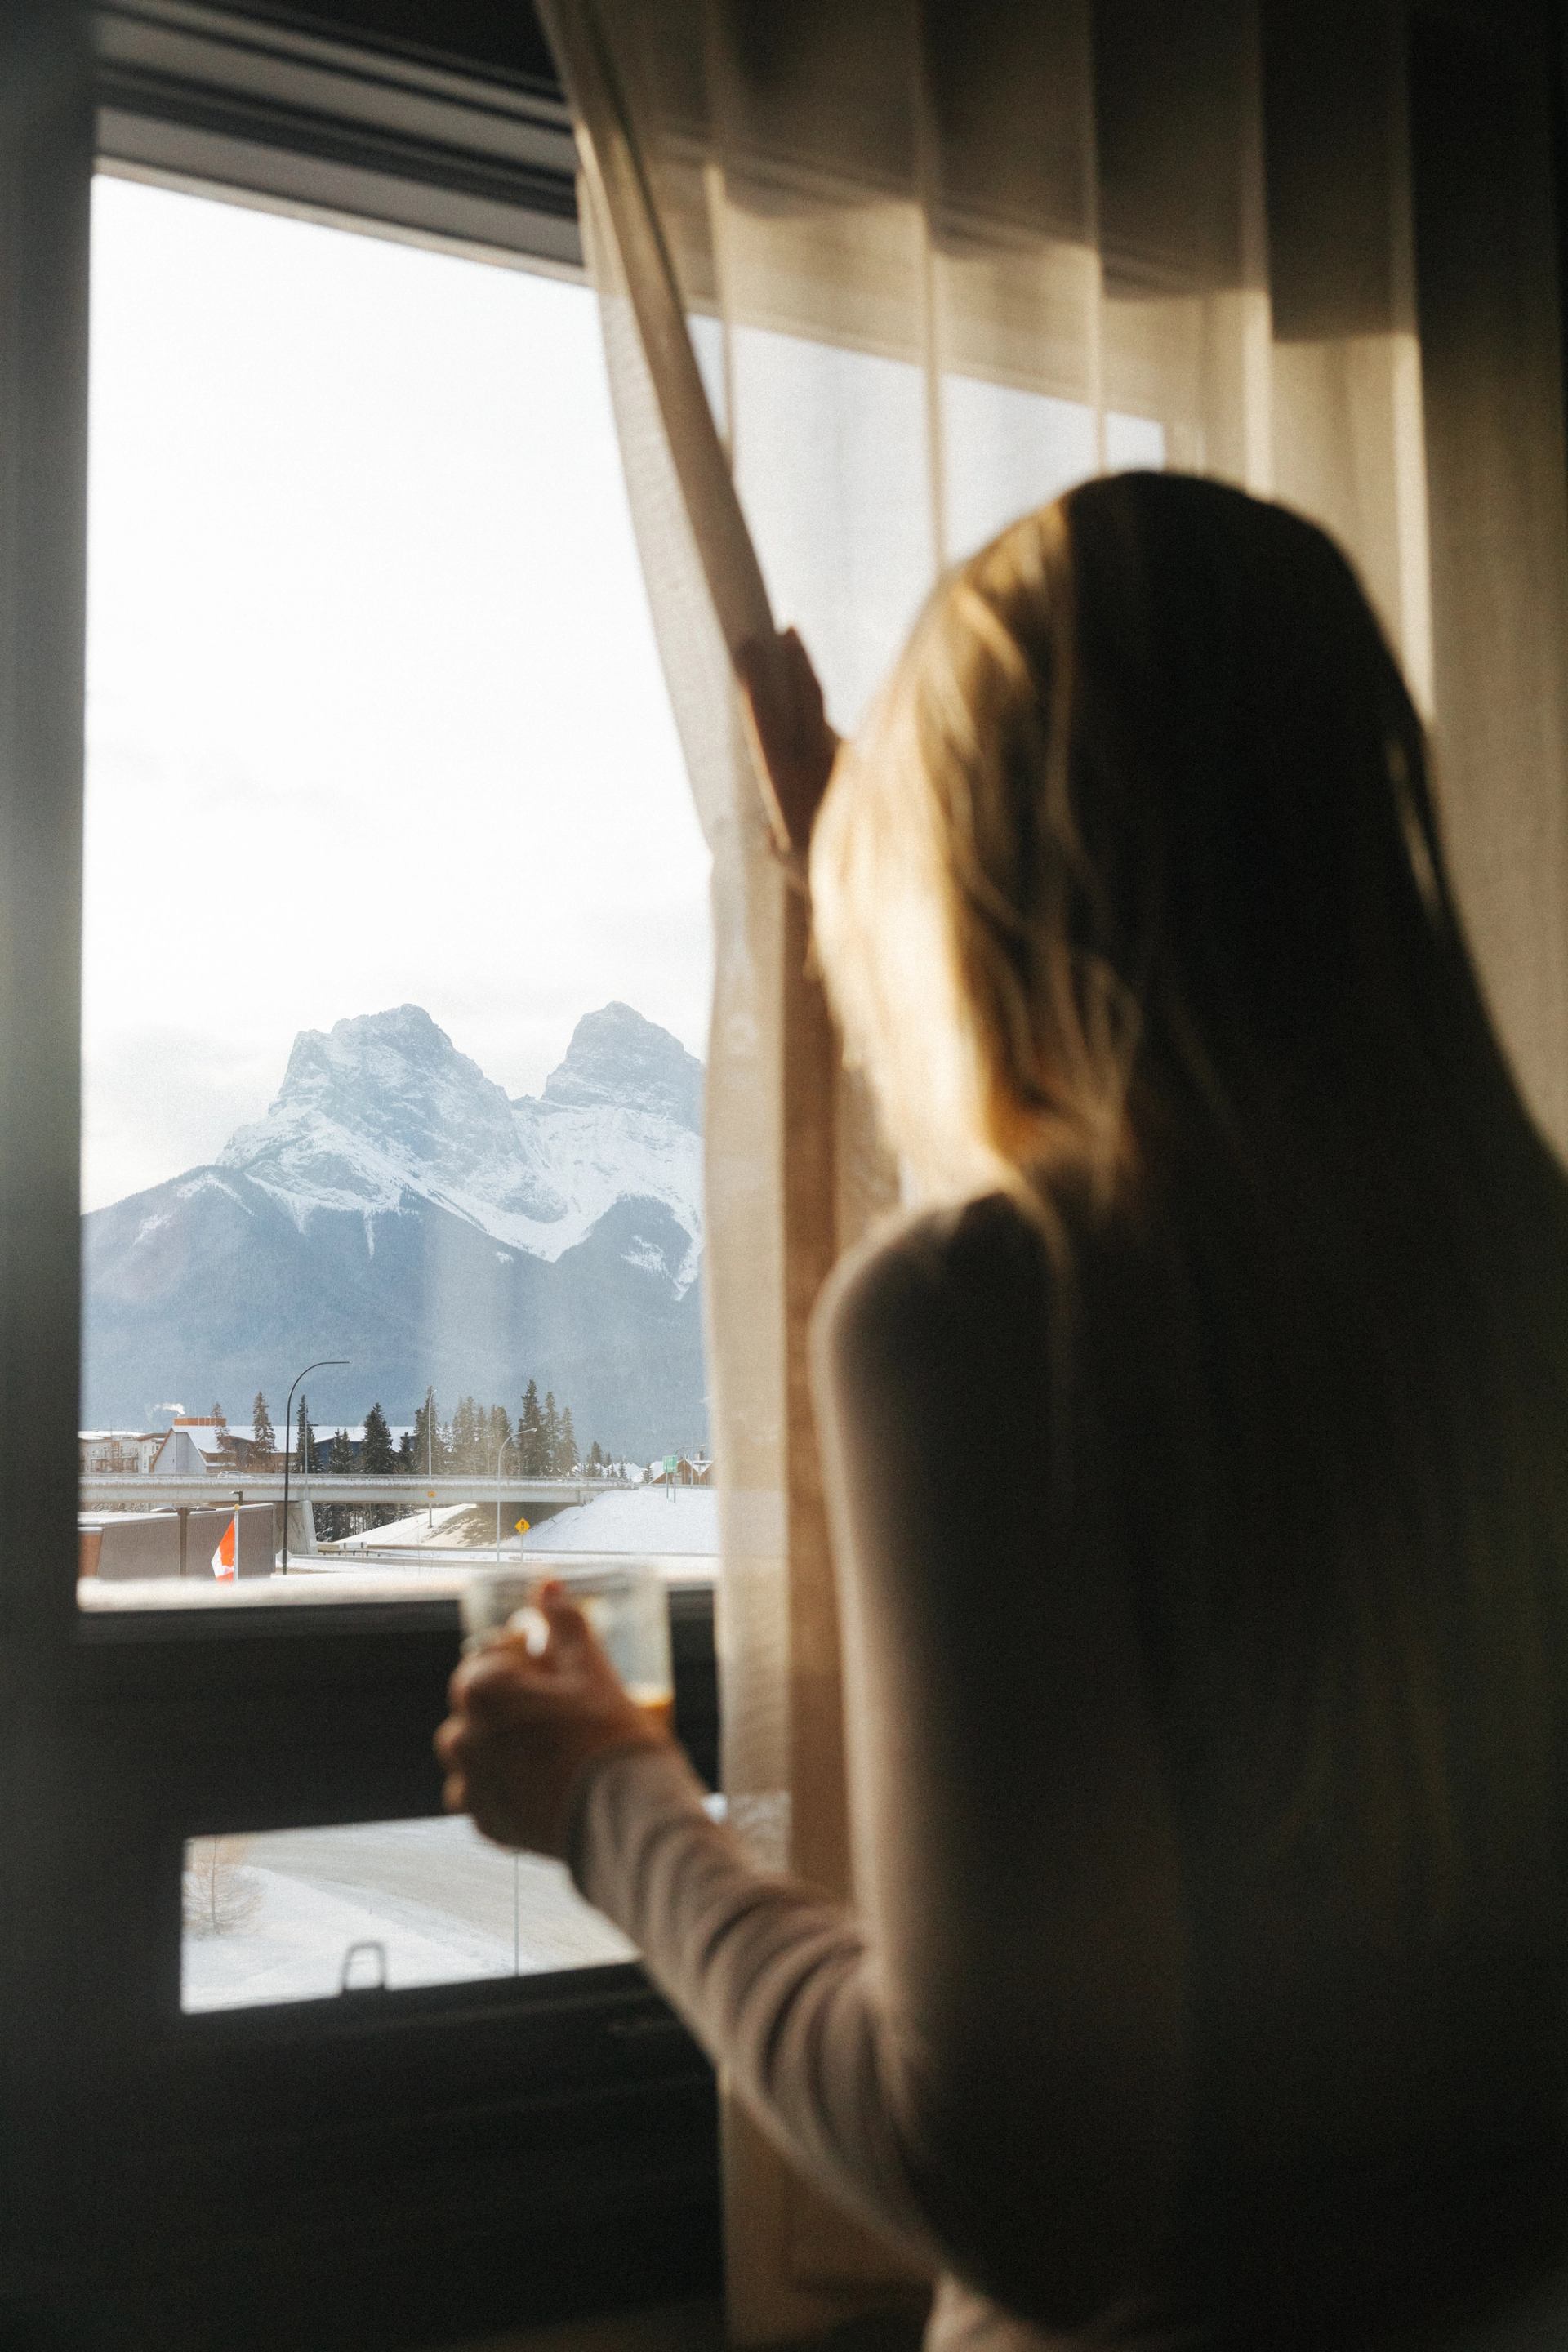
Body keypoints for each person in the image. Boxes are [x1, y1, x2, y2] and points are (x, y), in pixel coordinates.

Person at [437, 473, 1568, 2350]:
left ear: (983, 877)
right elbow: (1168, 1280)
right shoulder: (1506, 1287)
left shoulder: (984, 1320)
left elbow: (1018, 2190)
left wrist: (615, 1804)